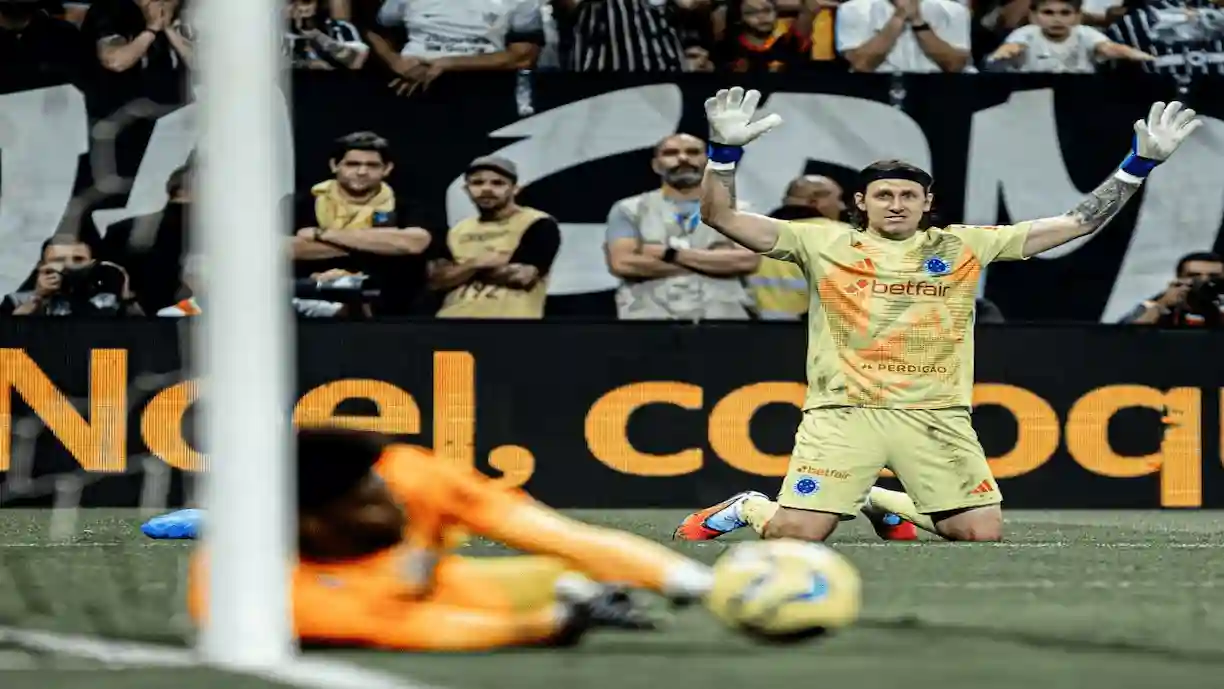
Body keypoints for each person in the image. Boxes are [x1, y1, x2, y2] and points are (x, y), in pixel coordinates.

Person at [676, 88, 1200, 543]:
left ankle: (880, 501)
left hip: (936, 413)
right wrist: (723, 155)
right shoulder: (819, 239)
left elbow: (1075, 224)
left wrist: (1138, 166)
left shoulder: (963, 245)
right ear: (861, 200)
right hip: (845, 412)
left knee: (977, 532)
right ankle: (748, 506)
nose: (896, 204)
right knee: (798, 535)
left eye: (909, 195)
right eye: (883, 195)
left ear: (927, 203)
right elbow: (719, 216)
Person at [187, 428, 717, 651]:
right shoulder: (264, 597)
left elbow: (564, 537)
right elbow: (426, 630)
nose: (393, 501)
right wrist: (553, 623)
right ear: (316, 523)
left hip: (437, 585)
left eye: (384, 486)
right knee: (557, 595)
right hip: (383, 605)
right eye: (372, 501)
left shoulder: (409, 474)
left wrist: (701, 584)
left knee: (564, 572)